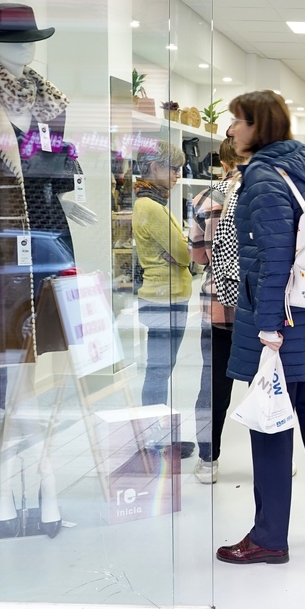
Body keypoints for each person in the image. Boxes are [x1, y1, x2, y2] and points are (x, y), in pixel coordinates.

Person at [217, 90, 305, 565]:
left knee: (271, 423)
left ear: (260, 125)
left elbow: (274, 258)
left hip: (281, 324)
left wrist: (268, 329)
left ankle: (269, 537)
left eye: (238, 120)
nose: (231, 129)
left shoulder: (261, 176)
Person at [189, 137, 243, 484]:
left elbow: (197, 256)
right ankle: (277, 459)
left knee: (213, 384)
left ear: (222, 163)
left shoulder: (205, 199)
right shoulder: (266, 197)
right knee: (269, 384)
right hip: (259, 308)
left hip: (218, 305)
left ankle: (209, 460)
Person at [134, 140, 192, 408]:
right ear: (155, 167)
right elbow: (184, 253)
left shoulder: (150, 203)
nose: (177, 175)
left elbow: (179, 251)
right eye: (174, 169)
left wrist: (180, 251)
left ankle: (157, 432)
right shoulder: (152, 208)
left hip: (163, 296)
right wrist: (183, 253)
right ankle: (153, 436)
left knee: (161, 368)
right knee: (159, 370)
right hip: (164, 298)